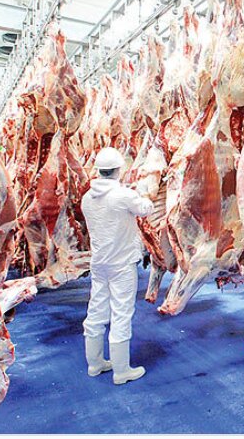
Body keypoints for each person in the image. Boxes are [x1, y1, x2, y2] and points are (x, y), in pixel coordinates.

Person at [80, 147, 153, 385]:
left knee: (96, 311)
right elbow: (145, 209)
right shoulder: (123, 195)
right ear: (119, 170)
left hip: (99, 263)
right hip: (121, 264)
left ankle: (95, 364)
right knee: (121, 313)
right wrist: (144, 193)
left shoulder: (87, 198)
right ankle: (122, 371)